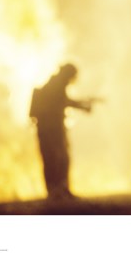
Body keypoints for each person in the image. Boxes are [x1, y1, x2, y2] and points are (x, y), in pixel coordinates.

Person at [30, 63, 93, 200]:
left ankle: (59, 190)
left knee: (58, 158)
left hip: (50, 128)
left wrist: (82, 104)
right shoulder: (56, 85)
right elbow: (62, 102)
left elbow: (63, 101)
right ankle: (56, 190)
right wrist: (82, 106)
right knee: (56, 158)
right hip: (51, 129)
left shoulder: (54, 84)